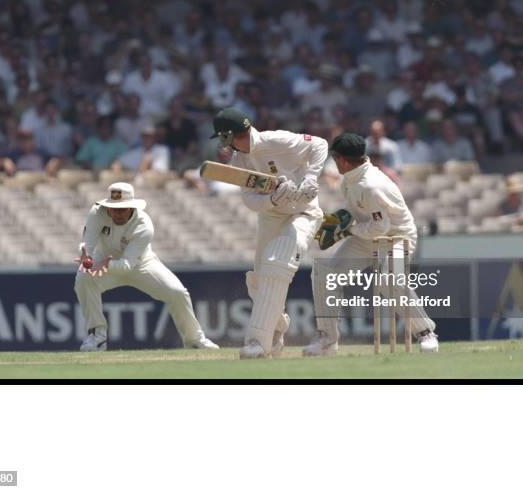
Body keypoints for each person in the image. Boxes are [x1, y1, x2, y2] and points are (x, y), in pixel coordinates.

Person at [303, 133, 439, 356]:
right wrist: (344, 219)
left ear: (343, 161)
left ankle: (425, 333)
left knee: (389, 279)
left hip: (396, 237)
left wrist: (347, 229)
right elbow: (361, 213)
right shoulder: (351, 176)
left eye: (335, 159)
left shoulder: (371, 185)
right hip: (367, 234)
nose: (334, 163)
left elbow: (381, 227)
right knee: (326, 275)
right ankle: (327, 339)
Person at [211, 107, 327, 359]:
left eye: (224, 138)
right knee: (259, 281)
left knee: (277, 264)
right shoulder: (239, 161)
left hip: (304, 212)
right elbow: (250, 201)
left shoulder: (277, 139)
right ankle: (276, 328)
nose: (224, 146)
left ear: (234, 134)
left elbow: (319, 144)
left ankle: (258, 342)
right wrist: (273, 199)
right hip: (271, 217)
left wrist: (310, 178)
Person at [73, 182, 219, 351]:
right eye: (114, 209)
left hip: (141, 264)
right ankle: (97, 337)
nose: (117, 214)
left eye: (123, 209)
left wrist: (107, 264)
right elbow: (87, 246)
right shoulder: (97, 213)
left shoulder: (144, 225)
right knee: (83, 277)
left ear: (132, 208)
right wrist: (86, 258)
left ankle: (194, 340)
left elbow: (127, 265)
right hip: (103, 260)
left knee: (177, 292)